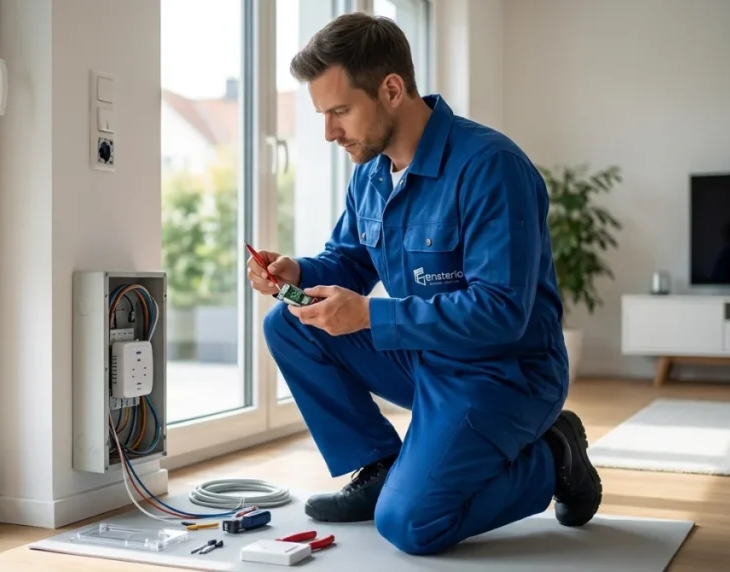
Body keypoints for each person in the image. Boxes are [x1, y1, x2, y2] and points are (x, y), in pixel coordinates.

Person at [248, 13, 602, 556]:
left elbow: (501, 310)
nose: (329, 132)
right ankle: (382, 466)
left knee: (413, 525)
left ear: (391, 89)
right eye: (323, 114)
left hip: (505, 373)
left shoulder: (492, 167)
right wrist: (298, 273)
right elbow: (348, 260)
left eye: (340, 111)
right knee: (291, 326)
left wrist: (369, 316)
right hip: (426, 358)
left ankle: (553, 456)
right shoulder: (370, 174)